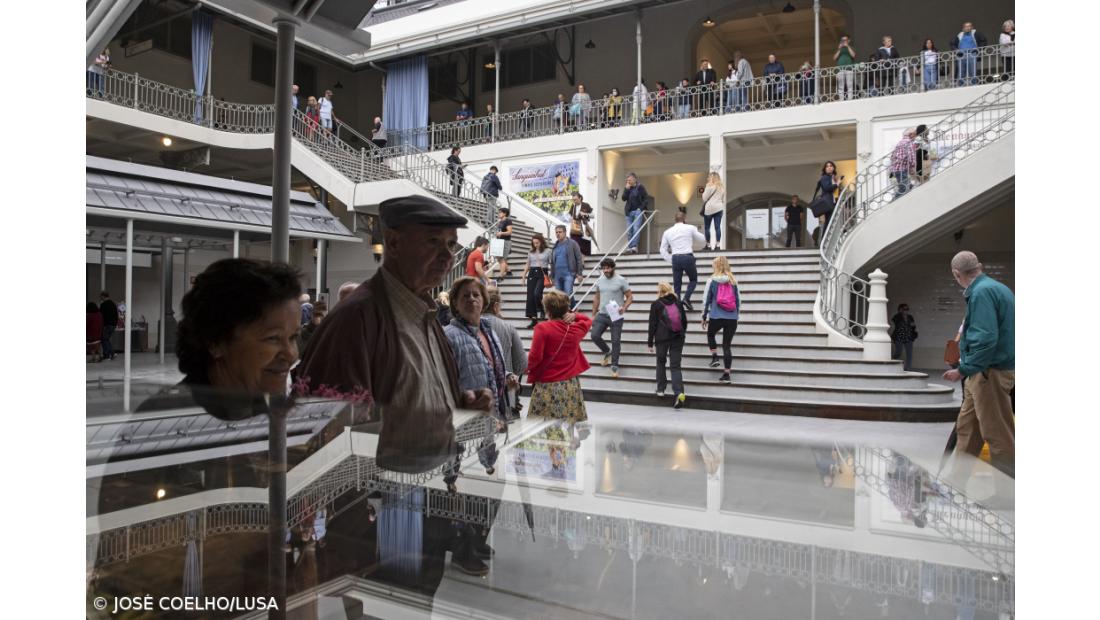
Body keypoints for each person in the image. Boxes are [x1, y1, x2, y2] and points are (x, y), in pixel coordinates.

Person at [295, 195, 493, 415]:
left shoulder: (427, 317)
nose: (448, 255)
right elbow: (333, 428)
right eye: (433, 241)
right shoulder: (356, 318)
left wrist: (460, 405)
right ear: (394, 243)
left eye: (451, 243)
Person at [175, 258, 302, 399]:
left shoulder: (256, 409)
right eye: (272, 338)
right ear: (215, 342)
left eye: (293, 337)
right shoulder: (171, 416)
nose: (291, 354)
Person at [942, 251, 1015, 480]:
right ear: (979, 266)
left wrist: (964, 368)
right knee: (968, 429)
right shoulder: (996, 288)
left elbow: (985, 338)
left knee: (997, 434)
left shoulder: (981, 293)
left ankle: (1007, 492)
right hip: (983, 373)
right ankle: (955, 483)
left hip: (988, 373)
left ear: (956, 274)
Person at [526, 290, 592, 424]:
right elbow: (588, 320)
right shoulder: (576, 329)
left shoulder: (542, 328)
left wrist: (524, 368)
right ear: (566, 309)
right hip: (570, 384)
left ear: (547, 310)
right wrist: (574, 316)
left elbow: (535, 357)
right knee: (567, 426)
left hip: (547, 384)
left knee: (544, 428)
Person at [485, 288, 528, 420]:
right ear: (496, 306)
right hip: (505, 397)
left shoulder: (465, 326)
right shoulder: (508, 328)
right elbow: (522, 365)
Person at [647, 282, 688, 409]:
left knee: (661, 362)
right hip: (677, 338)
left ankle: (661, 389)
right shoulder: (678, 302)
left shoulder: (656, 304)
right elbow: (684, 322)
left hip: (661, 338)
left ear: (659, 291)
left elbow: (652, 324)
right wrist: (680, 334)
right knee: (675, 366)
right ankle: (679, 393)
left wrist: (650, 342)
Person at [590, 258, 633, 379]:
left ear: (613, 267)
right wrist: (593, 314)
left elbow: (630, 297)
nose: (606, 270)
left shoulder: (621, 280)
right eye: (604, 268)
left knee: (615, 341)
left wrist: (624, 307)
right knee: (594, 335)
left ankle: (614, 365)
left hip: (616, 314)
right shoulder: (600, 281)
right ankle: (606, 351)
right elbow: (597, 298)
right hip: (602, 314)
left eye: (608, 268)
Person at [701, 256, 741, 383]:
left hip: (716, 316)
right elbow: (738, 300)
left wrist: (704, 316)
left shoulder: (712, 280)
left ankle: (715, 357)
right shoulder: (733, 280)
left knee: (710, 334)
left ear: (716, 266)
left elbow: (706, 300)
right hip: (731, 317)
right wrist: (736, 315)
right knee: (727, 346)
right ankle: (727, 375)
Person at [659, 211, 706, 311]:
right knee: (693, 279)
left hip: (675, 258)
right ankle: (686, 298)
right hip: (687, 257)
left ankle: (678, 304)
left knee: (677, 284)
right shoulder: (690, 228)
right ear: (684, 219)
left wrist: (670, 259)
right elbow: (702, 239)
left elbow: (662, 249)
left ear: (674, 220)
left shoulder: (667, 232)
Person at [522, 234, 552, 328]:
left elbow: (551, 263)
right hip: (532, 273)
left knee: (537, 294)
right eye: (534, 243)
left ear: (541, 242)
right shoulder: (531, 252)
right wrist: (523, 276)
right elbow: (528, 264)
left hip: (542, 272)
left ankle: (542, 309)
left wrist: (551, 275)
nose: (535, 245)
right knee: (530, 296)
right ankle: (534, 319)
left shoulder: (548, 251)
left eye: (537, 243)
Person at [550, 225, 584, 303]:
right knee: (559, 296)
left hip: (569, 274)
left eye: (560, 232)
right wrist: (552, 276)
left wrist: (579, 273)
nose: (558, 234)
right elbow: (552, 262)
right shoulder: (555, 246)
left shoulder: (572, 243)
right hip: (557, 275)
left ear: (565, 232)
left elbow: (579, 258)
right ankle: (573, 310)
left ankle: (568, 312)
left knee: (567, 294)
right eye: (556, 232)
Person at [812, 161, 840, 245]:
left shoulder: (832, 177)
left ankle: (826, 242)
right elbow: (827, 188)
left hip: (832, 202)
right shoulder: (825, 177)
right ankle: (824, 242)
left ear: (834, 168)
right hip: (828, 203)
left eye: (831, 166)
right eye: (827, 166)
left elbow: (834, 191)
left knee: (830, 222)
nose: (829, 167)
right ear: (824, 169)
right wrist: (837, 184)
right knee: (829, 222)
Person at [622, 173, 649, 253]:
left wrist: (640, 208)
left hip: (637, 211)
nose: (628, 181)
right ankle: (630, 247)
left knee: (636, 228)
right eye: (627, 180)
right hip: (629, 212)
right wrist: (626, 189)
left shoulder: (640, 187)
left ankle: (634, 246)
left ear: (634, 179)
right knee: (629, 230)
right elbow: (623, 198)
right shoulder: (627, 188)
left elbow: (646, 198)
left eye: (629, 180)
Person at [890, 128, 917, 198]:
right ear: (910, 135)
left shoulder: (900, 142)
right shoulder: (909, 142)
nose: (916, 136)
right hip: (901, 169)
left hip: (897, 169)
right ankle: (893, 203)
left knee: (909, 186)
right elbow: (911, 156)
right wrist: (913, 167)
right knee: (904, 188)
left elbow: (892, 156)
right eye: (915, 134)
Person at [890, 303, 918, 371]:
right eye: (905, 309)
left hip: (908, 337)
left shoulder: (910, 317)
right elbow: (895, 321)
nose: (906, 311)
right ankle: (890, 362)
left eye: (907, 309)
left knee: (909, 354)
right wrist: (901, 315)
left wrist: (912, 325)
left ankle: (907, 368)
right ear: (900, 309)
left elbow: (913, 326)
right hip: (899, 337)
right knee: (898, 352)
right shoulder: (897, 316)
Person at [701, 172, 725, 250]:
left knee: (707, 228)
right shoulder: (721, 187)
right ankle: (717, 245)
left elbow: (704, 198)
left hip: (709, 209)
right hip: (719, 208)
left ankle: (708, 245)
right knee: (717, 227)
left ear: (711, 178)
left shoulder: (709, 186)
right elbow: (723, 199)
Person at [833, 36, 857, 100]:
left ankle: (850, 99)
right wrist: (839, 49)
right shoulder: (839, 49)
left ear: (848, 41)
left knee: (849, 84)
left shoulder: (851, 48)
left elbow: (853, 55)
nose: (844, 41)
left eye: (845, 40)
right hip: (840, 69)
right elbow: (834, 58)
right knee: (841, 85)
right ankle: (841, 99)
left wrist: (848, 46)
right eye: (842, 40)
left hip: (849, 68)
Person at [492, 206, 514, 279]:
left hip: (505, 241)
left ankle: (501, 275)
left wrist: (501, 233)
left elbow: (510, 232)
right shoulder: (500, 221)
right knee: (499, 258)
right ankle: (509, 271)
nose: (499, 213)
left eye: (500, 212)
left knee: (502, 259)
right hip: (499, 241)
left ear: (505, 213)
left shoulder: (508, 221)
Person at [99, 291, 119, 361]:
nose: (100, 298)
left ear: (103, 296)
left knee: (104, 339)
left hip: (107, 325)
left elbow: (101, 316)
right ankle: (112, 353)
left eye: (101, 296)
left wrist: (102, 325)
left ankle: (107, 355)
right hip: (113, 324)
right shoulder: (113, 304)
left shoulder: (103, 304)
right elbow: (116, 314)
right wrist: (115, 324)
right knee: (106, 339)